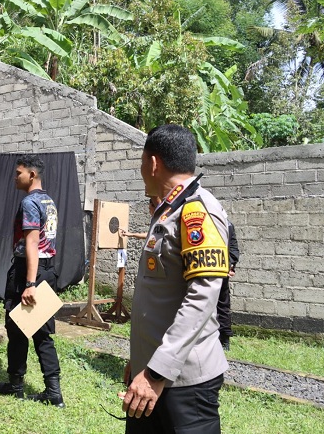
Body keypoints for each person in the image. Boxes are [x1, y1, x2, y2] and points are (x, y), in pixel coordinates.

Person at [122, 124, 229, 433]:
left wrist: (156, 372)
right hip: (152, 373)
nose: (141, 169)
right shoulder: (169, 210)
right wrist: (142, 360)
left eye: (142, 161)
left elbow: (203, 295)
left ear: (153, 163)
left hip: (183, 383)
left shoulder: (197, 211)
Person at [0, 155, 64, 408]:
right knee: (42, 333)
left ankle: (17, 386)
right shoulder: (49, 201)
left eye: (18, 173)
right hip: (48, 271)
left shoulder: (30, 202)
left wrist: (29, 283)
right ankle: (53, 392)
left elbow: (32, 243)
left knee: (17, 329)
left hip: (30, 272)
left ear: (32, 175)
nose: (15, 177)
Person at [218, 221, 240, 351]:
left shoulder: (227, 224)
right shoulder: (228, 224)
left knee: (222, 305)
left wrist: (230, 265)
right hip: (209, 270)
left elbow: (233, 248)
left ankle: (224, 339)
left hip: (220, 271)